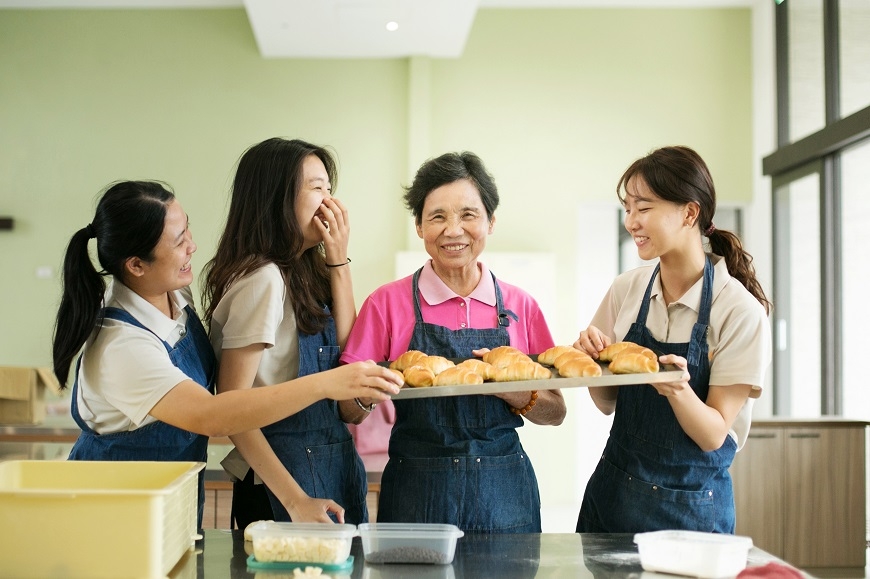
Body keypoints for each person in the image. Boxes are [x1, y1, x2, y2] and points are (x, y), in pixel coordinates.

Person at [52, 180, 401, 528]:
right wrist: (325, 384)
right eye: (178, 241)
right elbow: (212, 415)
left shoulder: (174, 296)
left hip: (168, 507)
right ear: (136, 265)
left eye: (187, 228)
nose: (193, 245)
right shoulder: (122, 346)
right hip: (109, 514)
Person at [340, 151, 567, 533]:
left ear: (491, 222)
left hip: (505, 495)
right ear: (419, 226)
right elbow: (348, 411)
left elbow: (556, 412)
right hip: (417, 491)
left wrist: (512, 391)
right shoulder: (386, 303)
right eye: (438, 217)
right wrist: (370, 391)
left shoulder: (520, 306)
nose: (453, 230)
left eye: (468, 215)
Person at [573, 146, 772, 534]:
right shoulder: (626, 288)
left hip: (689, 513)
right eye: (627, 208)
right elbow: (605, 402)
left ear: (689, 212)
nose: (631, 222)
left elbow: (714, 434)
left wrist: (678, 389)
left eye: (643, 208)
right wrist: (594, 362)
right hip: (612, 500)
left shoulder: (738, 311)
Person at [202, 137, 379, 529]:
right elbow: (231, 408)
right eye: (317, 188)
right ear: (277, 198)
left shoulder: (305, 271)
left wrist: (338, 260)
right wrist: (296, 501)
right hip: (280, 485)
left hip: (331, 465)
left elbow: (350, 353)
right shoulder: (261, 280)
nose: (331, 202)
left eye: (330, 189)